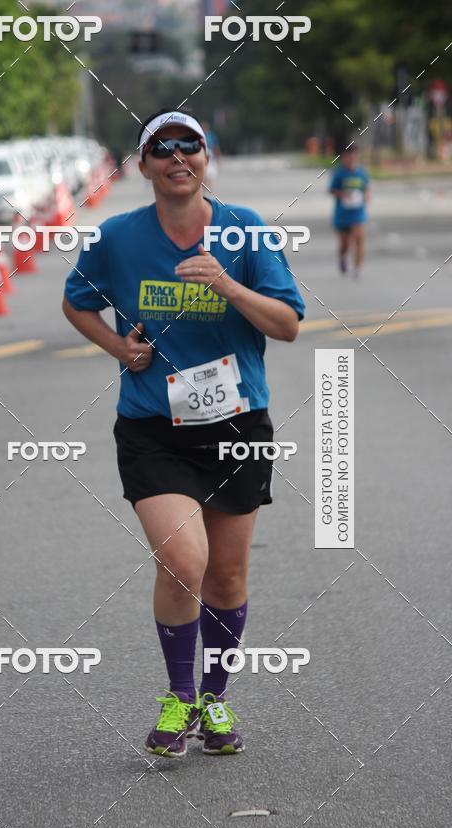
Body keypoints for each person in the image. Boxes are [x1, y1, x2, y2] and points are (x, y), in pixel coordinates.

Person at [62, 108, 304, 758]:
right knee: (183, 560)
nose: (177, 158)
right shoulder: (116, 237)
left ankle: (214, 698)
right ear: (142, 165)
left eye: (188, 146)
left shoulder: (246, 231)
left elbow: (286, 324)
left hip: (237, 426)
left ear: (205, 157)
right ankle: (177, 695)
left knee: (225, 577)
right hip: (153, 428)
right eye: (161, 148)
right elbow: (76, 299)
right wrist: (120, 347)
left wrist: (226, 283)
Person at [329, 144, 370, 278]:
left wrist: (366, 197)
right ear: (344, 158)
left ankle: (358, 268)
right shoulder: (339, 173)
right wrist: (343, 195)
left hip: (358, 213)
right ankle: (342, 256)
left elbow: (366, 189)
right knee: (345, 243)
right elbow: (332, 190)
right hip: (342, 214)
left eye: (353, 156)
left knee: (359, 239)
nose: (351, 159)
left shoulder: (362, 173)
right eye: (348, 156)